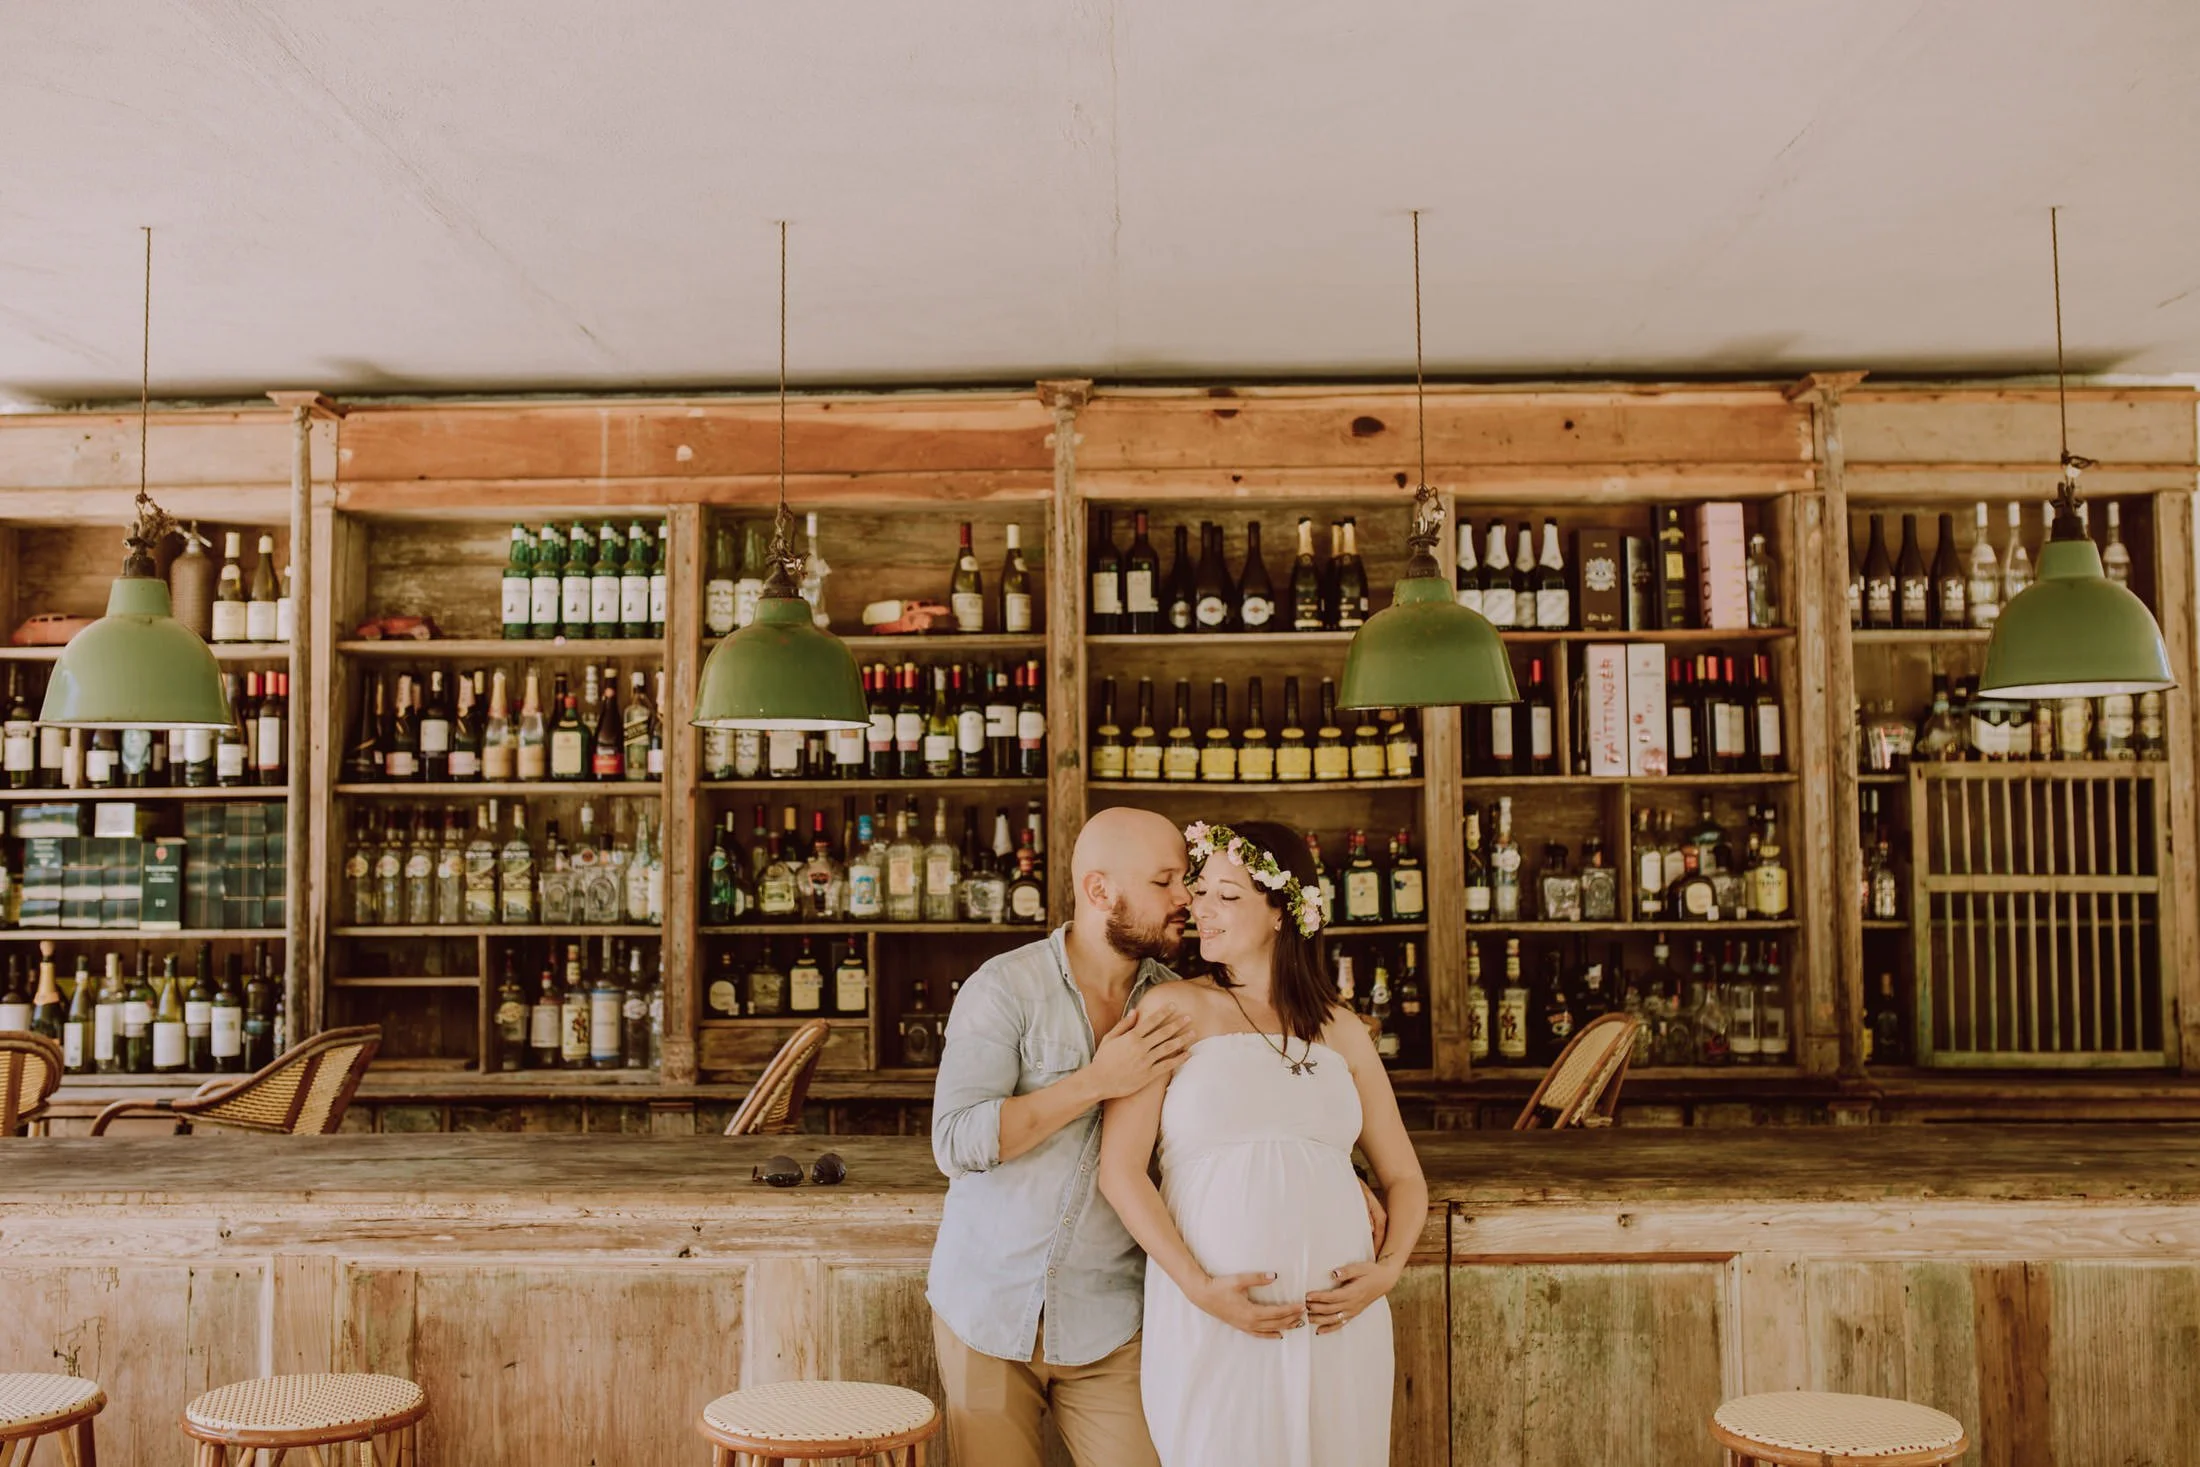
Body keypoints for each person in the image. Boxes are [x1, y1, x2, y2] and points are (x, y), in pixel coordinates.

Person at [1099, 819, 1427, 1467]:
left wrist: (1386, 1271)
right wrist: (1198, 1287)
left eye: (1227, 895)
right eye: (1199, 893)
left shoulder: (1342, 1030)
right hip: (1216, 1314)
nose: (1199, 909)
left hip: (1338, 1323)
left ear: (1282, 911)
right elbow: (1120, 1171)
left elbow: (1407, 1179)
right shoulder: (1171, 1006)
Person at [926, 806, 1197, 1467]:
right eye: (1166, 880)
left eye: (1183, 879)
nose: (1186, 898)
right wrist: (1097, 1081)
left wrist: (1350, 1172)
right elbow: (955, 1140)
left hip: (1112, 1326)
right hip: (988, 1312)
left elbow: (1239, 1111)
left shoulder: (1180, 1004)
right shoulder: (1005, 987)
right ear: (1100, 890)